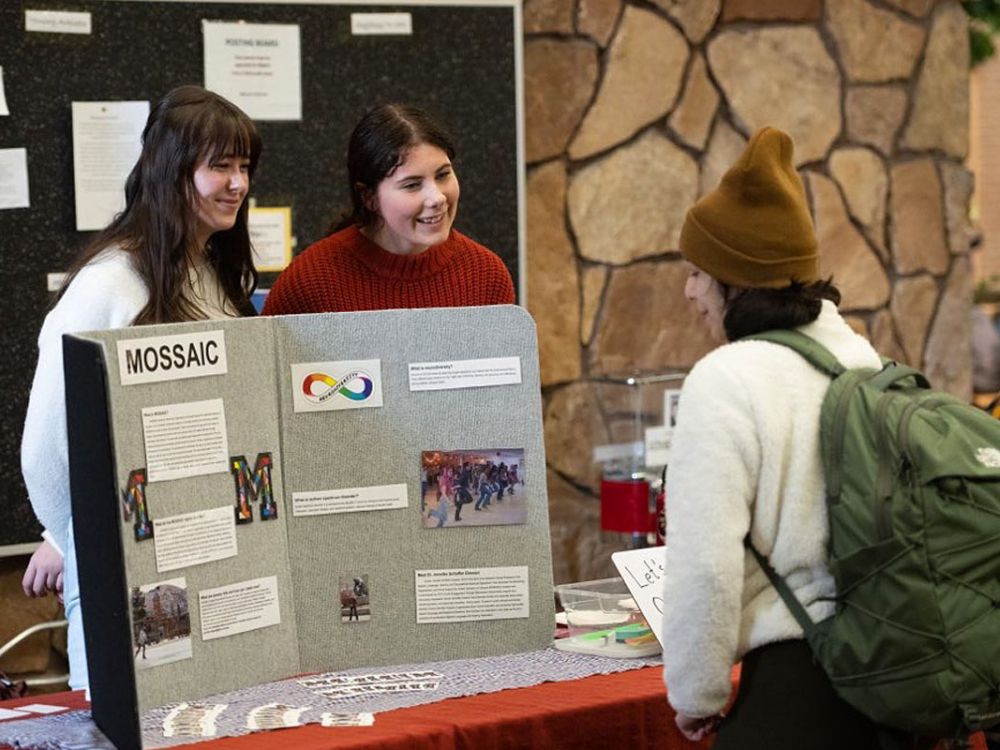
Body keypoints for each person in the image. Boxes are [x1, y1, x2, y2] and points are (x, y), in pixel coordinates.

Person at [20, 84, 261, 690]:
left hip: (215, 559)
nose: (237, 183)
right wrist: (76, 542)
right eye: (220, 166)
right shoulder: (109, 285)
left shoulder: (209, 274)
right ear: (173, 171)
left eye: (244, 167)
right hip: (130, 582)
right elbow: (48, 448)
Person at [660, 126, 883, 749]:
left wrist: (696, 693)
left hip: (795, 687)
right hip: (890, 679)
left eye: (698, 273)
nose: (689, 291)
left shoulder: (726, 379)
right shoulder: (862, 362)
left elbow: (705, 565)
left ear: (734, 279)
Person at [262, 103, 514, 314]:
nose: (437, 197)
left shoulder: (486, 275)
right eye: (412, 185)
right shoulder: (309, 281)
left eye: (443, 175)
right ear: (369, 197)